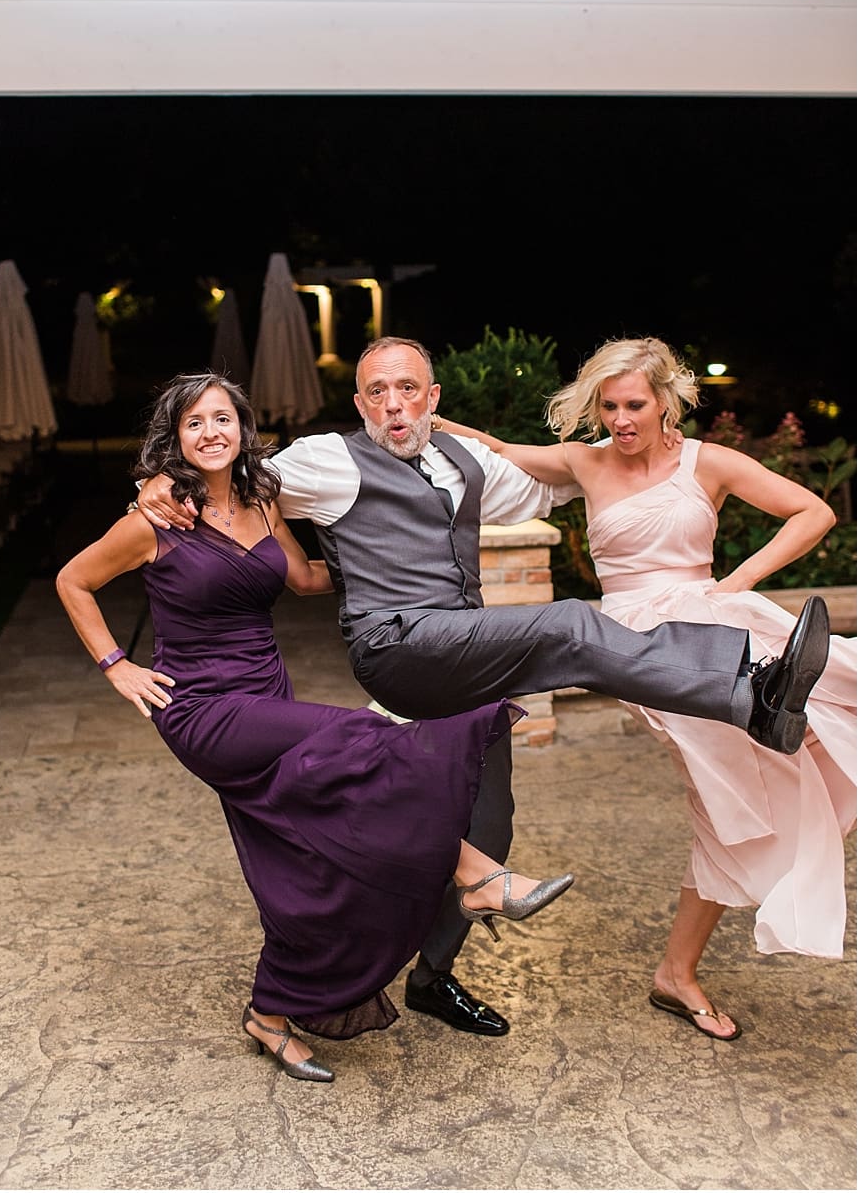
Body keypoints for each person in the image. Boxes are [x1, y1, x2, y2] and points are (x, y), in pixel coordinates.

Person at [138, 336, 832, 1038]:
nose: (392, 403)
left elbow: (575, 475)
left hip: (466, 658)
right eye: (376, 392)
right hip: (399, 648)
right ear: (358, 403)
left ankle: (433, 977)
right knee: (567, 627)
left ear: (432, 398)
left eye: (407, 388)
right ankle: (750, 693)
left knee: (487, 826)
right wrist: (160, 483)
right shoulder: (324, 460)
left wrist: (654, 447)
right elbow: (227, 474)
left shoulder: (465, 463)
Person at [58, 373, 572, 1081]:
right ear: (173, 438)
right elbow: (72, 581)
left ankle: (269, 1014)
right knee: (370, 739)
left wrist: (400, 561)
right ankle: (474, 874)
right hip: (204, 707)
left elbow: (304, 580)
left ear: (241, 428)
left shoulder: (263, 503)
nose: (209, 433)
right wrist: (116, 664)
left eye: (221, 419)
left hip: (266, 691)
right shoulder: (157, 517)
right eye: (192, 423)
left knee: (305, 862)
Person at [434, 337, 855, 1041]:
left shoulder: (706, 462)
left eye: (634, 404)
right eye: (608, 406)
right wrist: (420, 415)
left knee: (742, 798)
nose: (621, 419)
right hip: (634, 642)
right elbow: (498, 450)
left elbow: (813, 512)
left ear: (664, 402)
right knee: (741, 781)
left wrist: (734, 583)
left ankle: (676, 969)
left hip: (714, 610)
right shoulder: (585, 460)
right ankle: (773, 706)